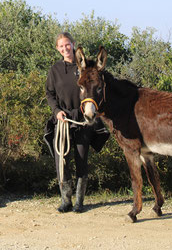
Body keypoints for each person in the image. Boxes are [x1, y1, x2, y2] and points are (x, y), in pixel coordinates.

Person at [44, 32, 109, 213]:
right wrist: (56, 111)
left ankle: (80, 201)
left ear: (73, 44)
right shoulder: (54, 70)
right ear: (57, 49)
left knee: (82, 159)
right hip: (63, 121)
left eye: (67, 45)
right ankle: (66, 200)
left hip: (82, 120)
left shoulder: (85, 67)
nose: (65, 48)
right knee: (61, 161)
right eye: (61, 46)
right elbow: (49, 94)